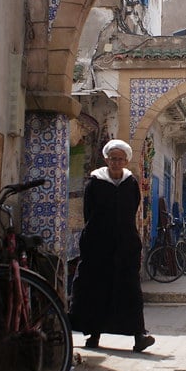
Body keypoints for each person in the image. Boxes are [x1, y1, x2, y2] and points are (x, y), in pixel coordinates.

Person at [69, 139, 155, 353]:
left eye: (120, 159)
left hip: (125, 244)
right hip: (98, 243)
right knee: (96, 287)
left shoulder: (130, 182)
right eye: (112, 159)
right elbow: (88, 212)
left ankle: (139, 335)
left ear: (126, 161)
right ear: (106, 159)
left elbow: (133, 209)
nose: (116, 162)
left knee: (129, 289)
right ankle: (93, 334)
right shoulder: (95, 182)